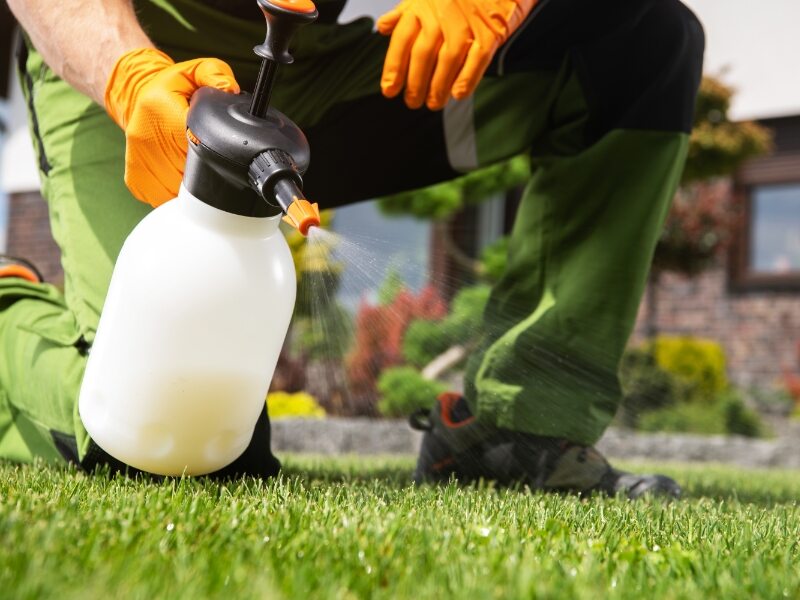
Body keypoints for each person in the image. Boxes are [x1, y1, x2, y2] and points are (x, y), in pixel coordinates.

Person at [2, 0, 703, 496]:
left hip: (318, 71)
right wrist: (128, 76)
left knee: (642, 43)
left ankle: (520, 433)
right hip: (139, 59)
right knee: (164, 442)